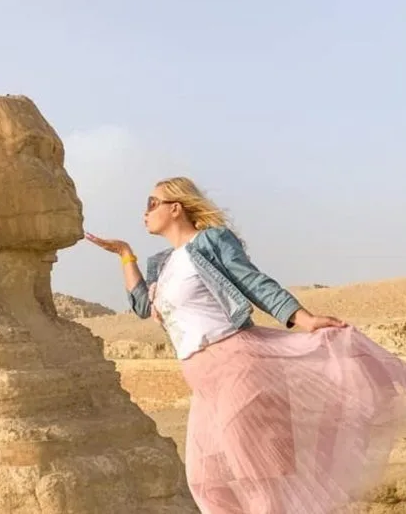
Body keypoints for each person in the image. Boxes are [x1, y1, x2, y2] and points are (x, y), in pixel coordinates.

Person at [86, 176, 406, 514]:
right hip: (205, 385)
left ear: (176, 208)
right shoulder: (164, 265)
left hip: (236, 365)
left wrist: (304, 318)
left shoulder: (209, 242)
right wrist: (125, 255)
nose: (145, 211)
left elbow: (252, 280)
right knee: (204, 480)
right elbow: (140, 305)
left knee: (258, 473)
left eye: (152, 203)